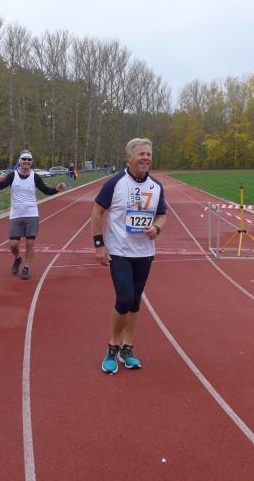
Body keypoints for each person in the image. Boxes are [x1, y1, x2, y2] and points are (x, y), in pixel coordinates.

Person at [91, 138, 166, 374]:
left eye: (149, 154)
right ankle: (112, 346)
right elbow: (97, 212)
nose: (146, 158)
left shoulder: (156, 186)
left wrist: (157, 228)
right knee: (124, 299)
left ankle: (128, 348)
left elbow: (162, 214)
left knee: (134, 302)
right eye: (141, 153)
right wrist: (99, 245)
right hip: (120, 251)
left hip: (144, 252)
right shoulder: (115, 183)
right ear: (129, 157)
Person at [0, 150, 66, 280]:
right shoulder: (12, 176)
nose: (26, 161)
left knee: (30, 243)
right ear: (19, 161)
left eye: (29, 159)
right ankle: (17, 258)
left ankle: (26, 267)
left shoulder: (35, 177)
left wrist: (56, 189)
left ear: (31, 162)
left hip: (31, 214)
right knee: (13, 244)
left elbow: (46, 190)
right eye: (24, 159)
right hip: (16, 215)